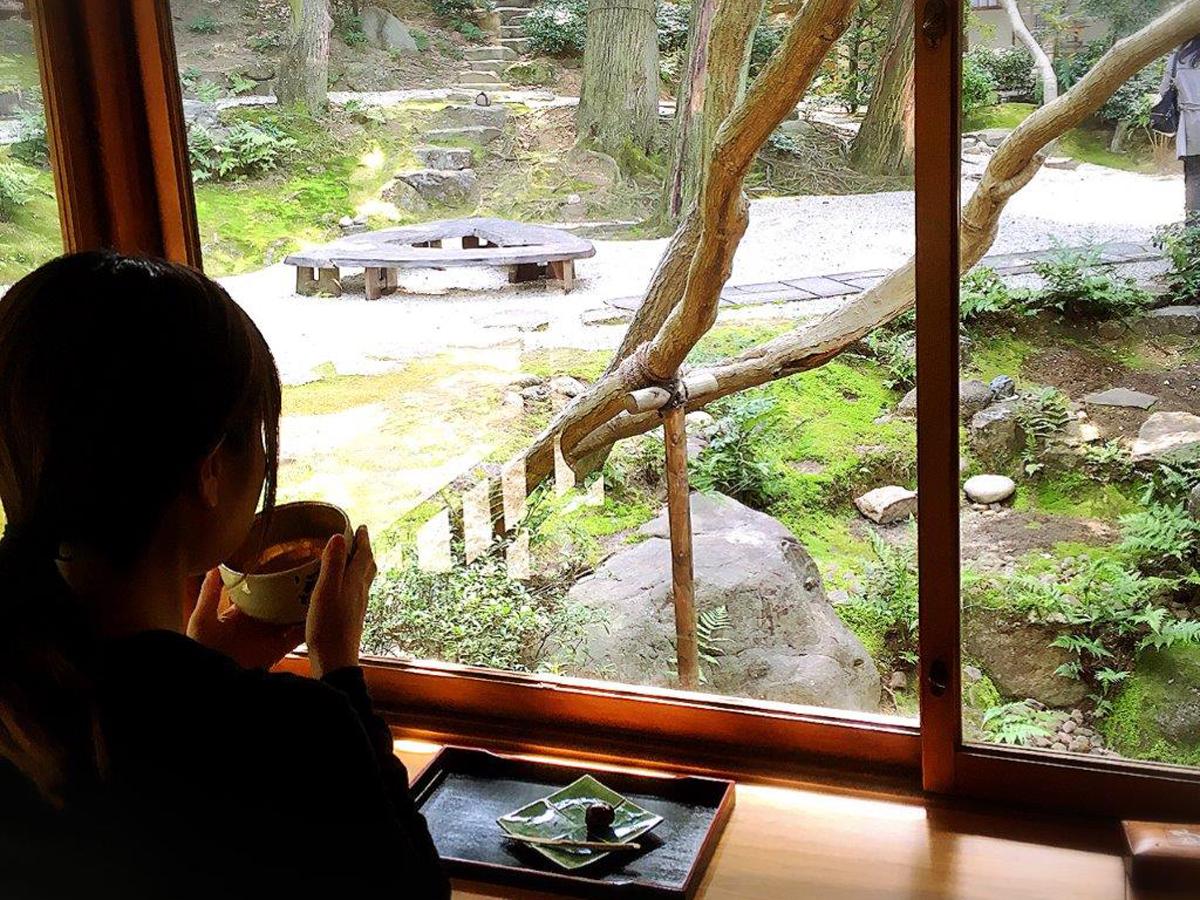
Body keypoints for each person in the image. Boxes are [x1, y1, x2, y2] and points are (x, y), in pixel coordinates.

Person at [0, 252, 449, 899]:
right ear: (210, 469)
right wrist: (339, 670)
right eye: (260, 437)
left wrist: (194, 663)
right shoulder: (287, 739)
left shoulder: (31, 683)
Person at [1162, 36, 1200, 216]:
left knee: (1193, 174)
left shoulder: (1177, 60)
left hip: (1191, 123)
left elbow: (1164, 91)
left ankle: (1193, 225)